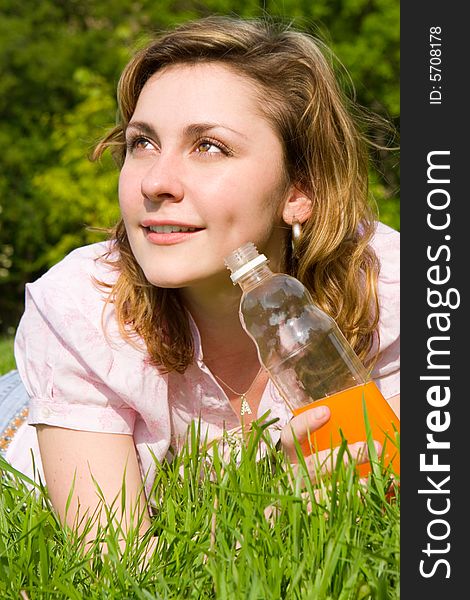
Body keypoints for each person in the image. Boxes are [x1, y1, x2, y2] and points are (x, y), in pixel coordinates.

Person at [1, 15, 399, 549]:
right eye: (142, 143)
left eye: (209, 146)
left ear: (298, 189)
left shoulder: (388, 288)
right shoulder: (80, 309)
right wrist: (261, 521)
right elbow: (116, 565)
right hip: (29, 412)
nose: (156, 181)